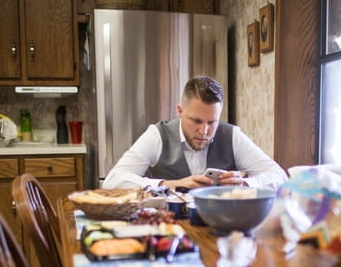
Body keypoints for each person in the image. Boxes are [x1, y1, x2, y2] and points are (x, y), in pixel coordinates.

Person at [103, 75, 287, 191]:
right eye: (196, 121)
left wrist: (244, 184)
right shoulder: (157, 135)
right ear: (180, 111)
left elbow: (280, 177)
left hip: (219, 229)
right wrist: (170, 185)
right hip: (168, 228)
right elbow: (112, 180)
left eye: (211, 122)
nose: (204, 131)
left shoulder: (232, 136)